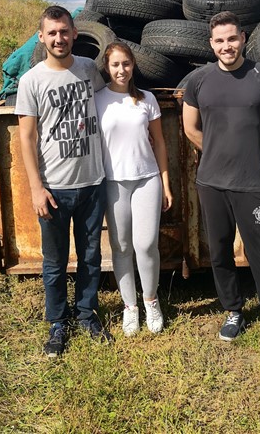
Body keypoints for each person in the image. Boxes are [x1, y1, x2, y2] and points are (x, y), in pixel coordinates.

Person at [181, 10, 260, 363]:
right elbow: (190, 128)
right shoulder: (198, 81)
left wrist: (250, 154)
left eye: (232, 39)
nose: (227, 46)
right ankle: (233, 311)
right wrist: (218, 153)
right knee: (220, 251)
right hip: (210, 183)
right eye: (220, 41)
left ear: (243, 38)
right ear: (211, 44)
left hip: (251, 183)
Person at [15, 5, 111, 358]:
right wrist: (36, 188)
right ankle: (57, 322)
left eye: (64, 31)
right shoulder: (31, 81)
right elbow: (26, 138)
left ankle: (87, 314)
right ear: (41, 37)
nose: (59, 38)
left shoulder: (88, 69)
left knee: (90, 256)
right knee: (54, 262)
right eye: (52, 33)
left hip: (92, 183)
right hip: (54, 188)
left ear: (75, 33)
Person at [95, 41, 173, 336]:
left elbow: (160, 143)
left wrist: (165, 183)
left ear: (133, 65)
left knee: (146, 244)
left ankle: (151, 301)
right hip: (113, 182)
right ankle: (130, 306)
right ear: (107, 67)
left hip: (147, 179)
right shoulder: (98, 100)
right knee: (121, 247)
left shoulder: (147, 99)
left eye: (126, 64)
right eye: (115, 64)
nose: (121, 70)